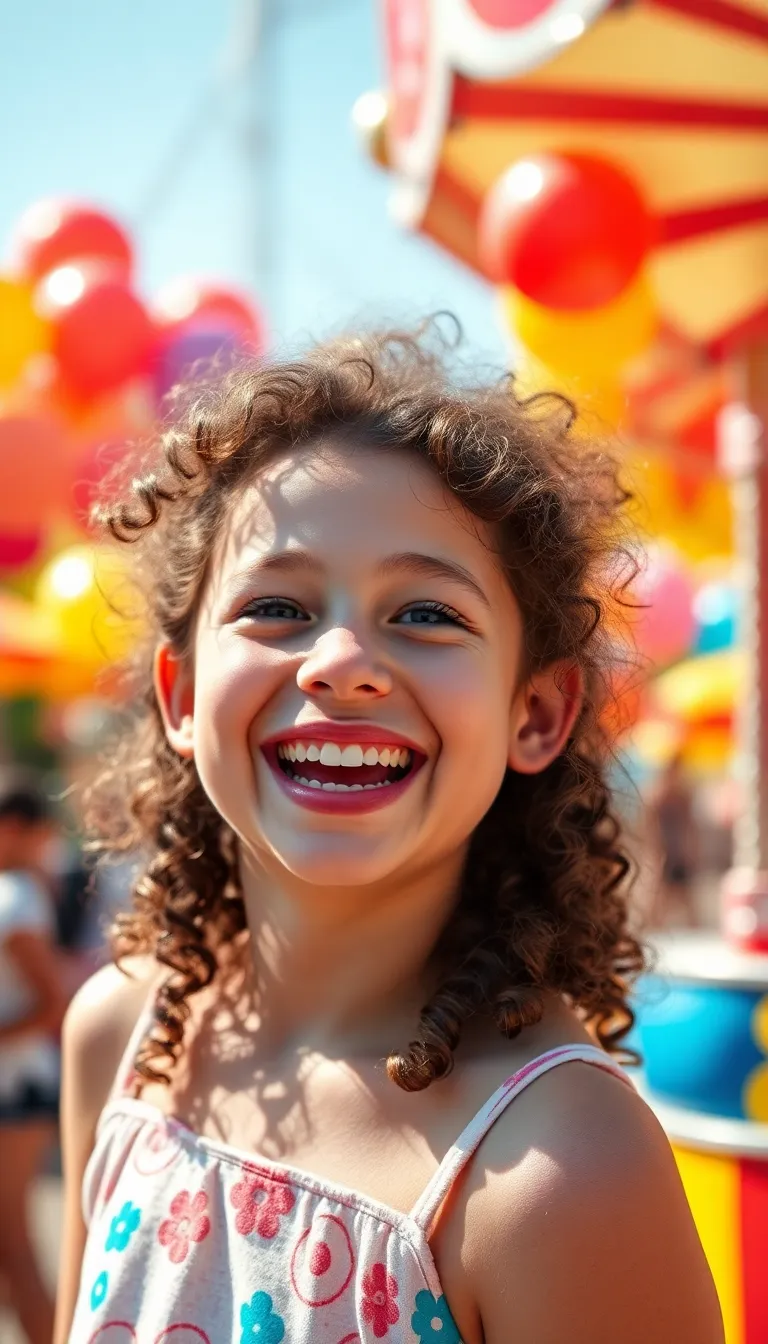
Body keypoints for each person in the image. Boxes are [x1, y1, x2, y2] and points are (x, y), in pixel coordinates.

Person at [55, 328, 723, 1343]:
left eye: (425, 614)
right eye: (277, 605)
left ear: (534, 715)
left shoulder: (558, 1167)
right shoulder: (121, 1040)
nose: (340, 662)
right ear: (182, 695)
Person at [0, 773, 67, 1344]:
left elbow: (52, 1002)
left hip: (17, 1088)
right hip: (15, 1084)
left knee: (14, 1244)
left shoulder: (17, 895)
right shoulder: (17, 889)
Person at [647, 749, 700, 928]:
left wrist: (690, 847)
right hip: (665, 848)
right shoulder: (659, 794)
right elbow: (650, 825)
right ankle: (654, 928)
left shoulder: (681, 794)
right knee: (661, 895)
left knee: (682, 894)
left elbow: (689, 825)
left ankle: (692, 928)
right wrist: (654, 848)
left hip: (677, 849)